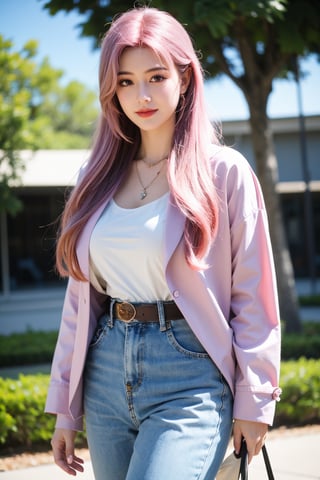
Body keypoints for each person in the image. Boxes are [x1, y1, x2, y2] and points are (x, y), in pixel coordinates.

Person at [45, 7, 281, 480]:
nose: (142, 95)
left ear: (186, 78)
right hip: (106, 374)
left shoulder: (223, 172)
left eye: (156, 76)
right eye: (126, 81)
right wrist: (66, 408)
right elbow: (79, 303)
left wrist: (256, 401)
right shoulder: (93, 179)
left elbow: (252, 296)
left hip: (190, 376)